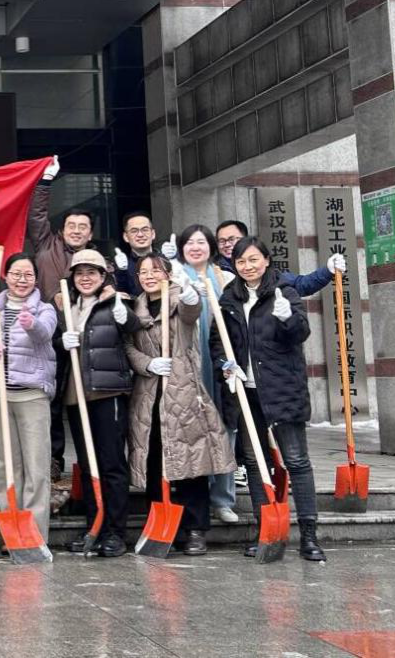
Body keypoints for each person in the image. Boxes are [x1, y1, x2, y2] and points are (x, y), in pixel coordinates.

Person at [210, 236, 323, 561]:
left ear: (266, 260)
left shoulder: (284, 291)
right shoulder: (229, 298)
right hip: (246, 392)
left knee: (296, 460)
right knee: (255, 462)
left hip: (283, 388)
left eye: (253, 260)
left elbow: (300, 333)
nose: (248, 266)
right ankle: (266, 533)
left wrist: (288, 318)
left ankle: (309, 536)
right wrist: (225, 366)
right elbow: (218, 341)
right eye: (241, 261)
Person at [124, 253, 235, 556]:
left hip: (182, 393)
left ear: (167, 274)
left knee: (190, 461)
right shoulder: (136, 308)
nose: (149, 276)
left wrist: (189, 294)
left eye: (155, 270)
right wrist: (147, 363)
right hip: (148, 395)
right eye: (143, 272)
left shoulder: (177, 299)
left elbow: (191, 311)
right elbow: (128, 347)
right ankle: (161, 528)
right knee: (154, 463)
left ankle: (195, 528)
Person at [57, 248, 140, 557]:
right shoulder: (66, 306)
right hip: (76, 395)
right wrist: (61, 341)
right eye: (80, 273)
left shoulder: (115, 301)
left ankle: (116, 532)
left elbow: (133, 327)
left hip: (108, 393)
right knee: (88, 463)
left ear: (103, 276)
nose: (85, 278)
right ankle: (95, 525)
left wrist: (123, 314)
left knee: (111, 463)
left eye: (91, 272)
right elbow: (53, 344)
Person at [26, 155, 97, 481]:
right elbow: (37, 215)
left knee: (83, 399)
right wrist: (45, 182)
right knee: (50, 401)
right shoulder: (46, 245)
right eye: (72, 226)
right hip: (50, 335)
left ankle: (88, 461)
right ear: (62, 228)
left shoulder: (96, 260)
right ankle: (53, 459)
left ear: (90, 233)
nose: (77, 231)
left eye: (83, 227)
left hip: (84, 337)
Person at [0, 252, 57, 540]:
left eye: (28, 275)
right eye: (16, 274)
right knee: (7, 466)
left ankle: (34, 536)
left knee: (37, 467)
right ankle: (12, 531)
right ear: (6, 276)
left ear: (36, 279)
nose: (21, 280)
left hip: (32, 395)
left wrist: (30, 324)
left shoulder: (45, 310)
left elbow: (44, 334)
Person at [172, 224, 240, 525]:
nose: (195, 247)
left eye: (201, 242)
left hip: (220, 366)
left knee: (224, 430)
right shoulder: (174, 276)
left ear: (211, 247)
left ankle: (223, 500)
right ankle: (196, 500)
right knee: (193, 434)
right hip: (188, 367)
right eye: (189, 242)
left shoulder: (227, 278)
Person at [212, 219, 345, 297]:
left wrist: (327, 271)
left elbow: (301, 285)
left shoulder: (269, 274)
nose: (227, 244)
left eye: (232, 239)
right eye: (222, 241)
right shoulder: (212, 272)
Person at [112, 213, 177, 298]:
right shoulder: (123, 266)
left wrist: (173, 259)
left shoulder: (165, 259)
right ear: (126, 236)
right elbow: (122, 295)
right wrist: (121, 271)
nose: (140, 235)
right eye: (134, 231)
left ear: (153, 233)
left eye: (145, 230)